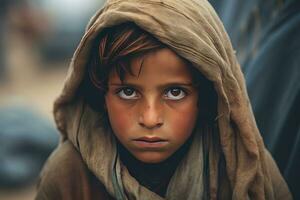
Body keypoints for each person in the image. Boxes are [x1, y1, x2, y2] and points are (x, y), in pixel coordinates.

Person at [35, 0, 292, 199]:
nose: (150, 118)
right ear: (101, 94)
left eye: (175, 92)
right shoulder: (69, 176)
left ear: (207, 96)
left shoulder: (244, 170)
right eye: (128, 92)